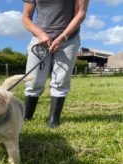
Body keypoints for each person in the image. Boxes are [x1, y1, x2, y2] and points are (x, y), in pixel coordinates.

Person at [22, 0, 89, 128]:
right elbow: (25, 18)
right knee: (33, 80)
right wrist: (40, 34)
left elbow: (80, 13)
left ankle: (53, 119)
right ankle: (26, 116)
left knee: (61, 80)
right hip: (39, 39)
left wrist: (63, 36)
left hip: (68, 39)